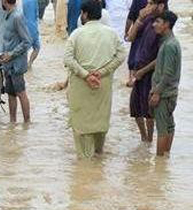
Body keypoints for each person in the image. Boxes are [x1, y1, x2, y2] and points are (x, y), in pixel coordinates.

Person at [63, 0, 126, 158]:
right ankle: (98, 168)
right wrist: (102, 72)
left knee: (82, 129)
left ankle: (85, 171)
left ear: (84, 14)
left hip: (81, 86)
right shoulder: (111, 34)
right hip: (102, 85)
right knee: (100, 124)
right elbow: (121, 55)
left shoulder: (76, 34)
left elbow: (68, 59)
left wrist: (86, 75)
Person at [126, 0, 165, 143]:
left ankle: (149, 139)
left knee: (149, 112)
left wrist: (143, 71)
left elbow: (161, 57)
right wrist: (140, 18)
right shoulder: (148, 20)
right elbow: (130, 37)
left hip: (152, 73)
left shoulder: (163, 26)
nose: (147, 7)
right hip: (139, 70)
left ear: (160, 6)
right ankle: (144, 138)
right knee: (135, 107)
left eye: (151, 4)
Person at [149, 10, 179, 157]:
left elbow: (167, 74)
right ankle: (166, 157)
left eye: (158, 22)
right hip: (170, 92)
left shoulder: (168, 45)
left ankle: (159, 163)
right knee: (169, 126)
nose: (154, 25)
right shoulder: (171, 42)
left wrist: (157, 93)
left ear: (166, 25)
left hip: (164, 94)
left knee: (162, 129)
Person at [0, 0, 31, 124]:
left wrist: (12, 54)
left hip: (16, 64)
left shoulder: (17, 16)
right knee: (11, 93)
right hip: (7, 64)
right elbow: (7, 39)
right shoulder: (7, 15)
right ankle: (12, 122)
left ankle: (27, 122)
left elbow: (27, 41)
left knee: (20, 92)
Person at [23, 0, 41, 68]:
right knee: (37, 48)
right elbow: (37, 15)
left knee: (23, 51)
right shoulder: (34, 1)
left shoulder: (19, 2)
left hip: (23, 28)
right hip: (33, 27)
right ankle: (30, 63)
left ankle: (25, 65)